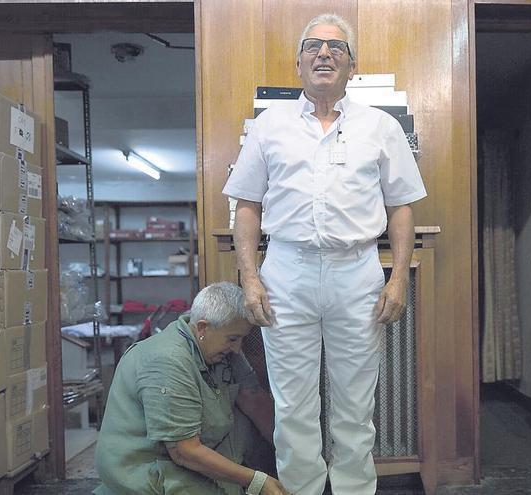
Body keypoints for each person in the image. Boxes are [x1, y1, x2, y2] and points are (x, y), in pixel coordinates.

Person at [222, 13, 427, 495]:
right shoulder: (269, 126)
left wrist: (398, 278)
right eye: (313, 46)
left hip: (356, 272)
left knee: (356, 404)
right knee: (293, 405)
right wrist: (250, 278)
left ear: (352, 65)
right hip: (286, 272)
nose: (324, 54)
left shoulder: (381, 127)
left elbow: (400, 208)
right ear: (299, 62)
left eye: (336, 48)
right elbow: (247, 207)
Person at [94, 282, 289, 495]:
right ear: (203, 328)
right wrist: (256, 481)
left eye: (241, 338)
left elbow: (254, 399)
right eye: (233, 339)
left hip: (196, 455)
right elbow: (184, 451)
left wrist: (293, 451)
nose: (237, 348)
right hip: (151, 471)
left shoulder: (221, 347)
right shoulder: (167, 360)